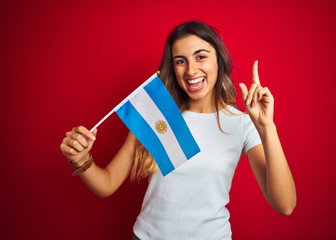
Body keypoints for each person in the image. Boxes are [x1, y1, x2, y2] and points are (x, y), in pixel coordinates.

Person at [60, 21, 296, 240]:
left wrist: (267, 127)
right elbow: (107, 183)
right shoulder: (157, 114)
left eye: (201, 57)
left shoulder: (242, 123)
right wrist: (82, 160)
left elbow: (285, 205)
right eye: (180, 61)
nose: (191, 70)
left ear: (219, 61)